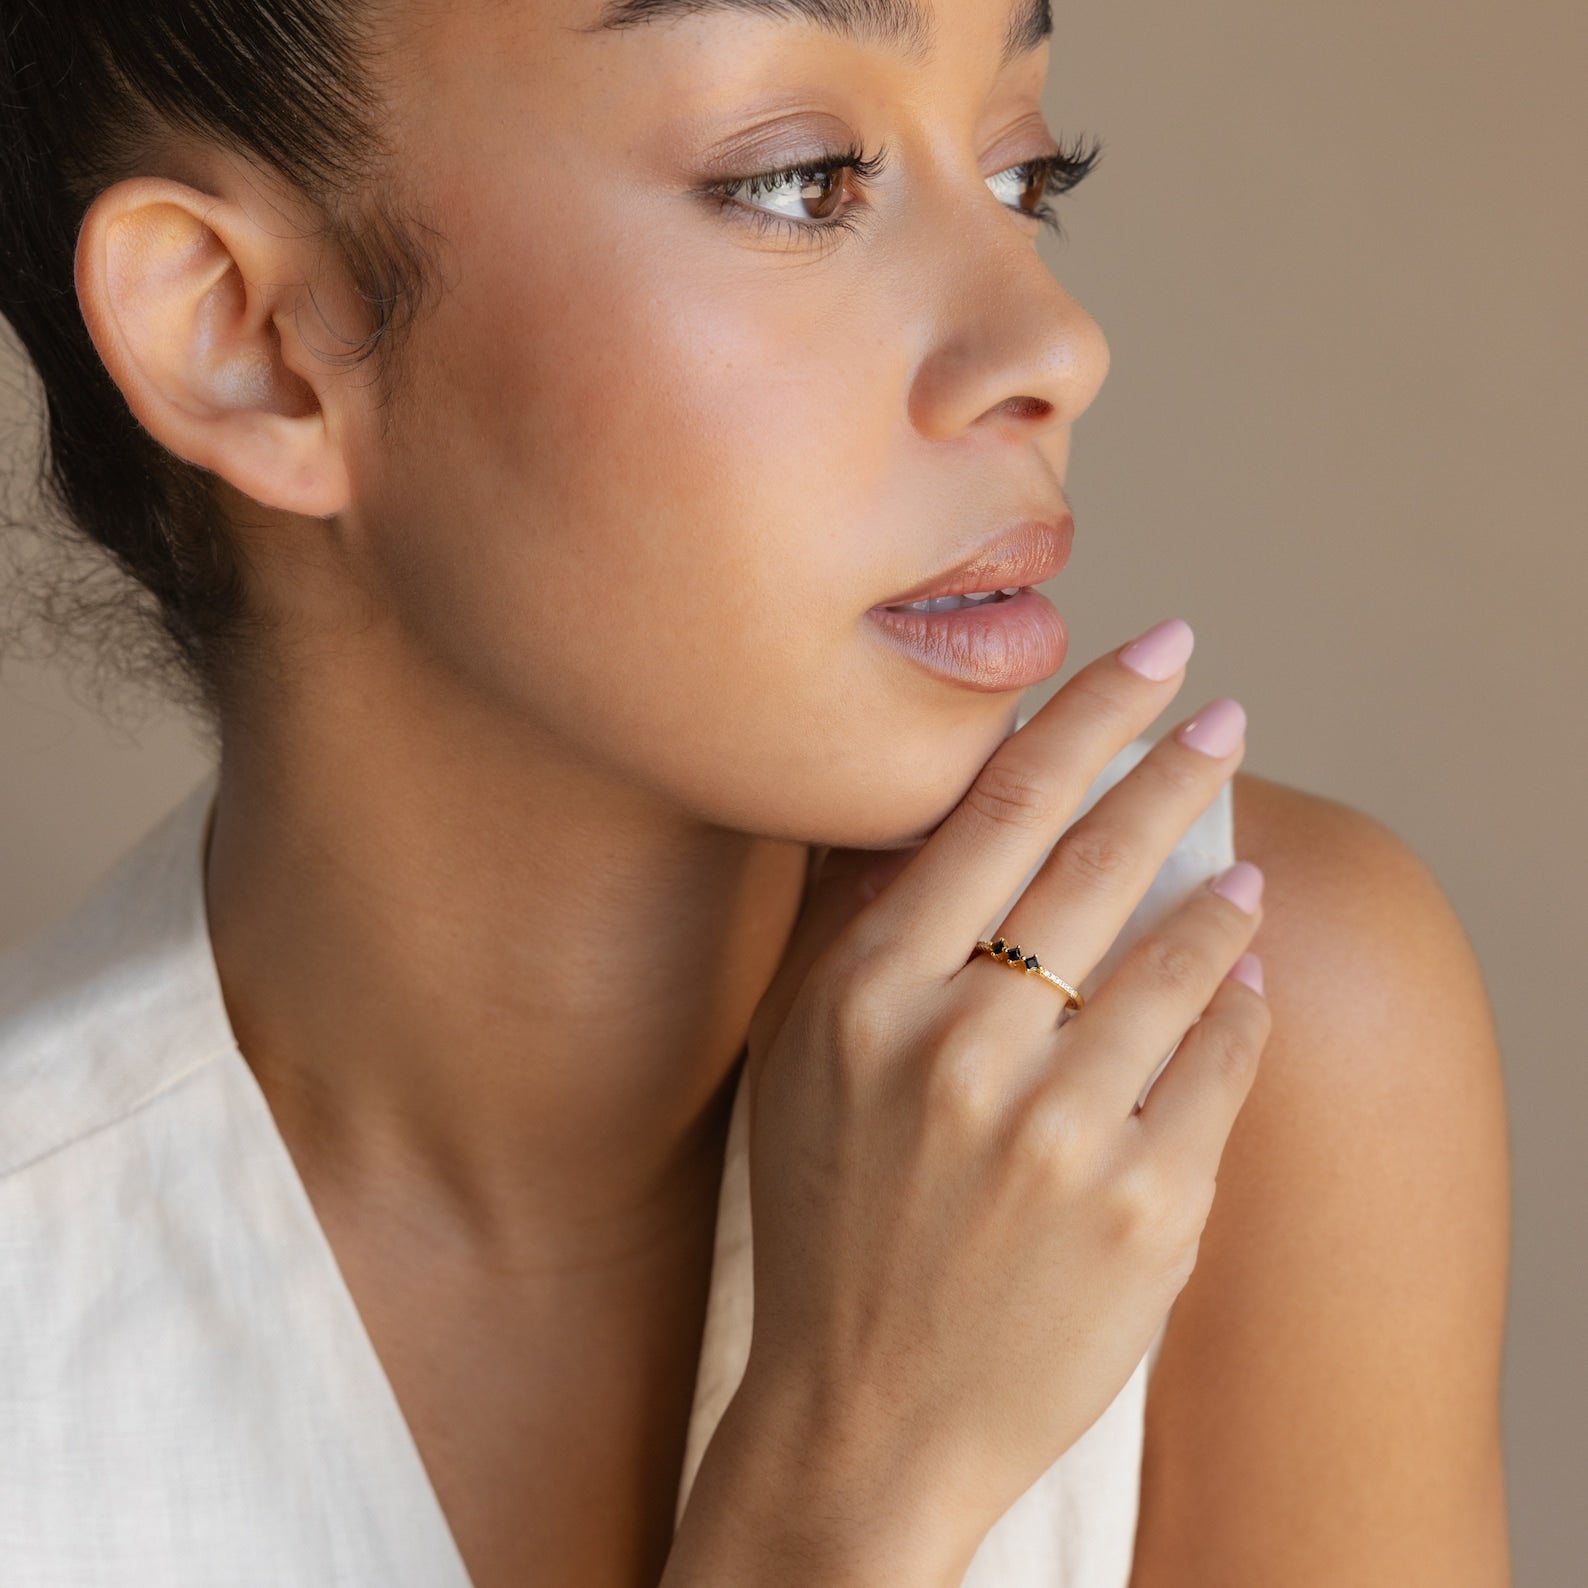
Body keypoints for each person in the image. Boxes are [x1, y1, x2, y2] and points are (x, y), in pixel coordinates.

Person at [0, 1, 1511, 1585]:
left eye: (1025, 172)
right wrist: (850, 1486)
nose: (1057, 345)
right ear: (246, 337)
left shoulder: (1254, 1022)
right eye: (802, 179)